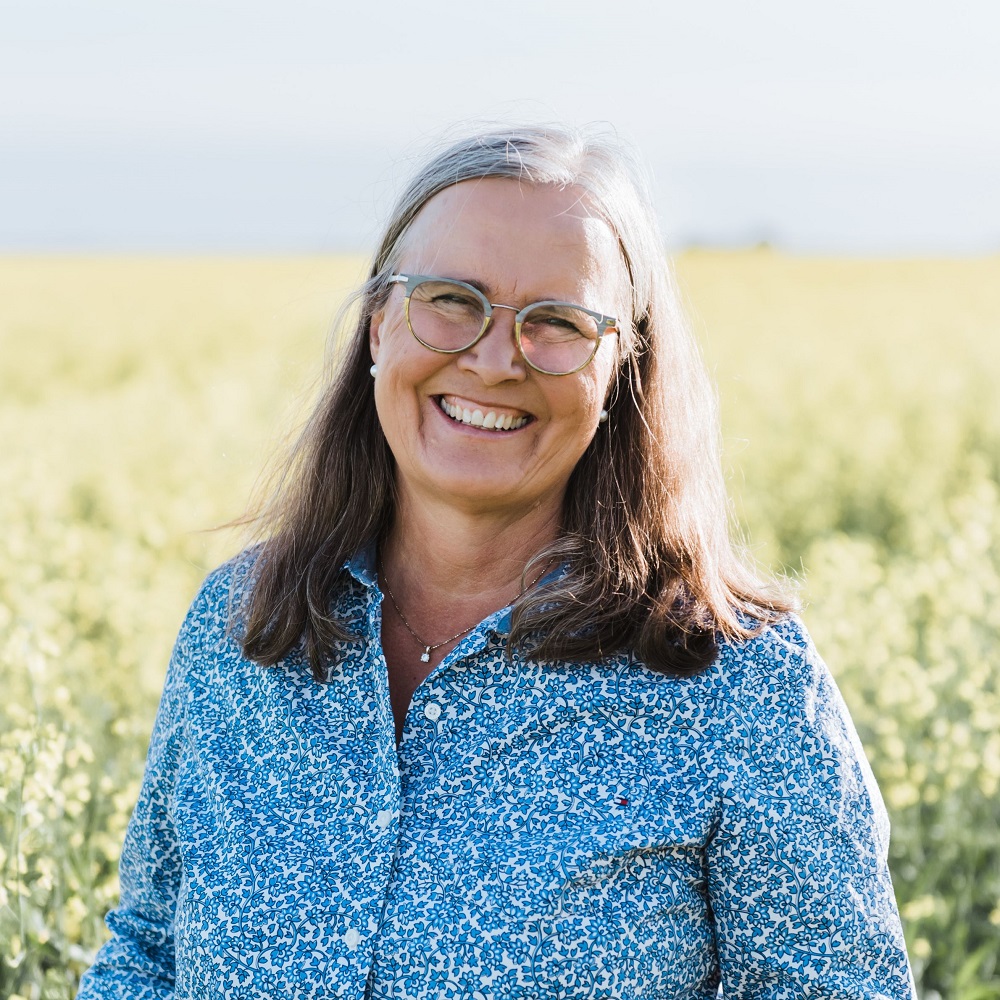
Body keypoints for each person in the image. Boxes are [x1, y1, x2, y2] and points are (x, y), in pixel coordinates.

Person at [78, 124, 915, 999]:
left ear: (623, 368)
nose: (493, 357)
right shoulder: (240, 623)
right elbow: (148, 950)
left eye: (557, 322)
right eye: (450, 299)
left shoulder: (738, 684)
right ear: (376, 327)